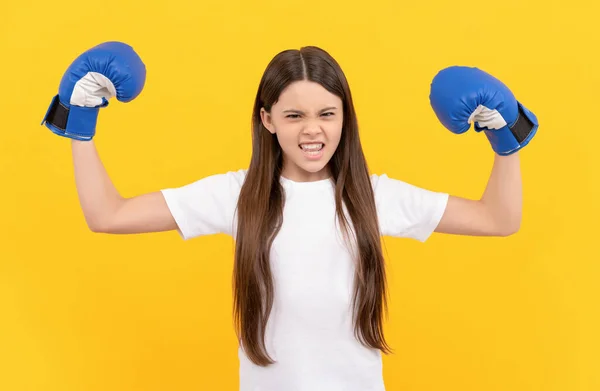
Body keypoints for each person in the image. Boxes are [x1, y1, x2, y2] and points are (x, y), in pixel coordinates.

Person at [41, 41, 538, 391]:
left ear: (345, 117)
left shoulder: (372, 198)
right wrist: (80, 120)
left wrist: (505, 137)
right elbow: (108, 214)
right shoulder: (238, 195)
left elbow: (498, 218)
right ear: (268, 120)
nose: (312, 131)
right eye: (294, 115)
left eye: (327, 113)